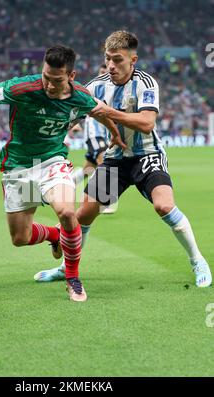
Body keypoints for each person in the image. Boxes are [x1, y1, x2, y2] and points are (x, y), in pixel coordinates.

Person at [0, 45, 126, 302]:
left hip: (53, 162)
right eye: (46, 77)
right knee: (21, 238)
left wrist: (115, 133)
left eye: (57, 80)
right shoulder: (22, 88)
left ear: (71, 77)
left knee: (66, 211)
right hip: (19, 167)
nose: (50, 85)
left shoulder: (80, 97)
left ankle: (72, 278)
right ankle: (55, 235)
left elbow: (101, 111)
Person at [34, 31, 212, 288]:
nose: (111, 65)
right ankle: (66, 268)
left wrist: (109, 112)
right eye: (108, 59)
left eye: (117, 60)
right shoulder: (96, 85)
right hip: (115, 160)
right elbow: (74, 114)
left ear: (133, 60)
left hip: (147, 155)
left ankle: (197, 260)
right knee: (84, 214)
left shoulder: (146, 83)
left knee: (163, 205)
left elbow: (147, 123)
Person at [71, 64, 117, 215]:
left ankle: (66, 184)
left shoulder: (114, 88)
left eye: (106, 71)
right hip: (94, 133)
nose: (105, 74)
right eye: (102, 71)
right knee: (105, 163)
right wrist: (74, 125)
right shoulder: (94, 88)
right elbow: (81, 107)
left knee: (88, 169)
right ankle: (105, 201)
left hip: (104, 133)